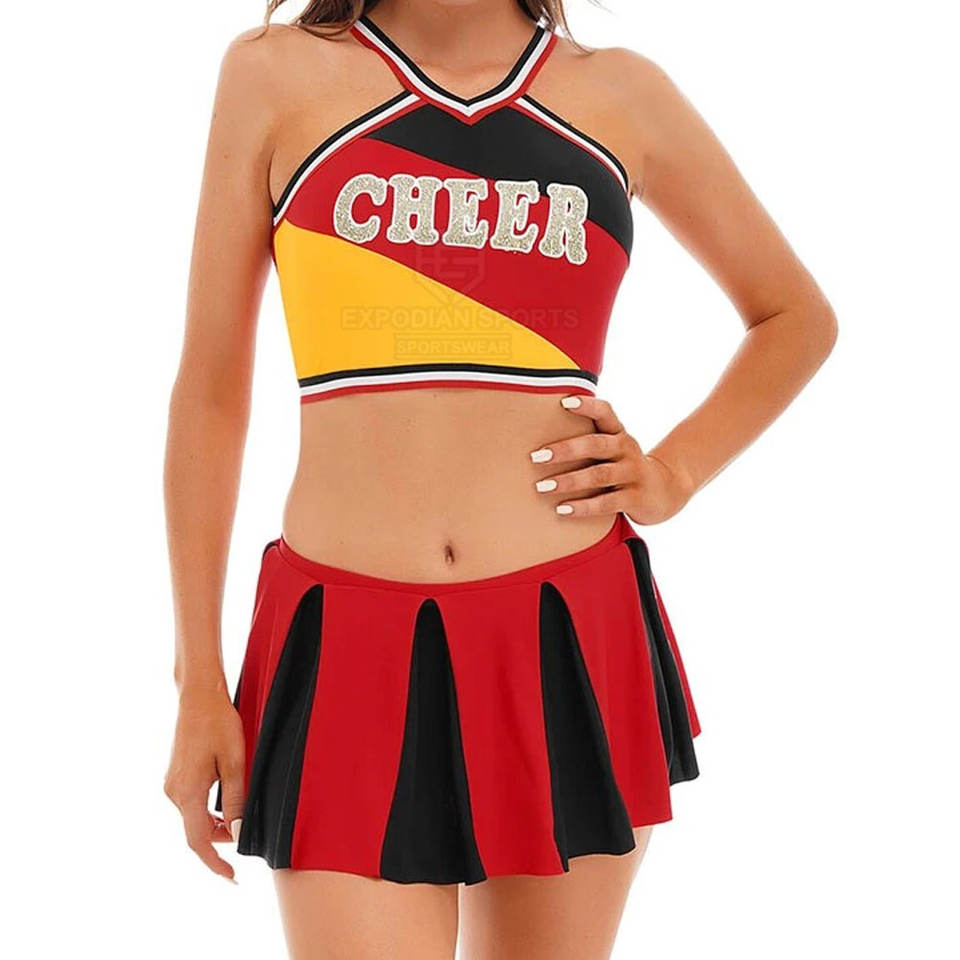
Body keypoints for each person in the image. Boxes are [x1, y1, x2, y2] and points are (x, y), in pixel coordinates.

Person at [163, 1, 836, 957]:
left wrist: (673, 471)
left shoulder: (620, 93)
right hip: (345, 640)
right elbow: (210, 391)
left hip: (565, 638)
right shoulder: (274, 73)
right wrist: (197, 677)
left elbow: (795, 316)